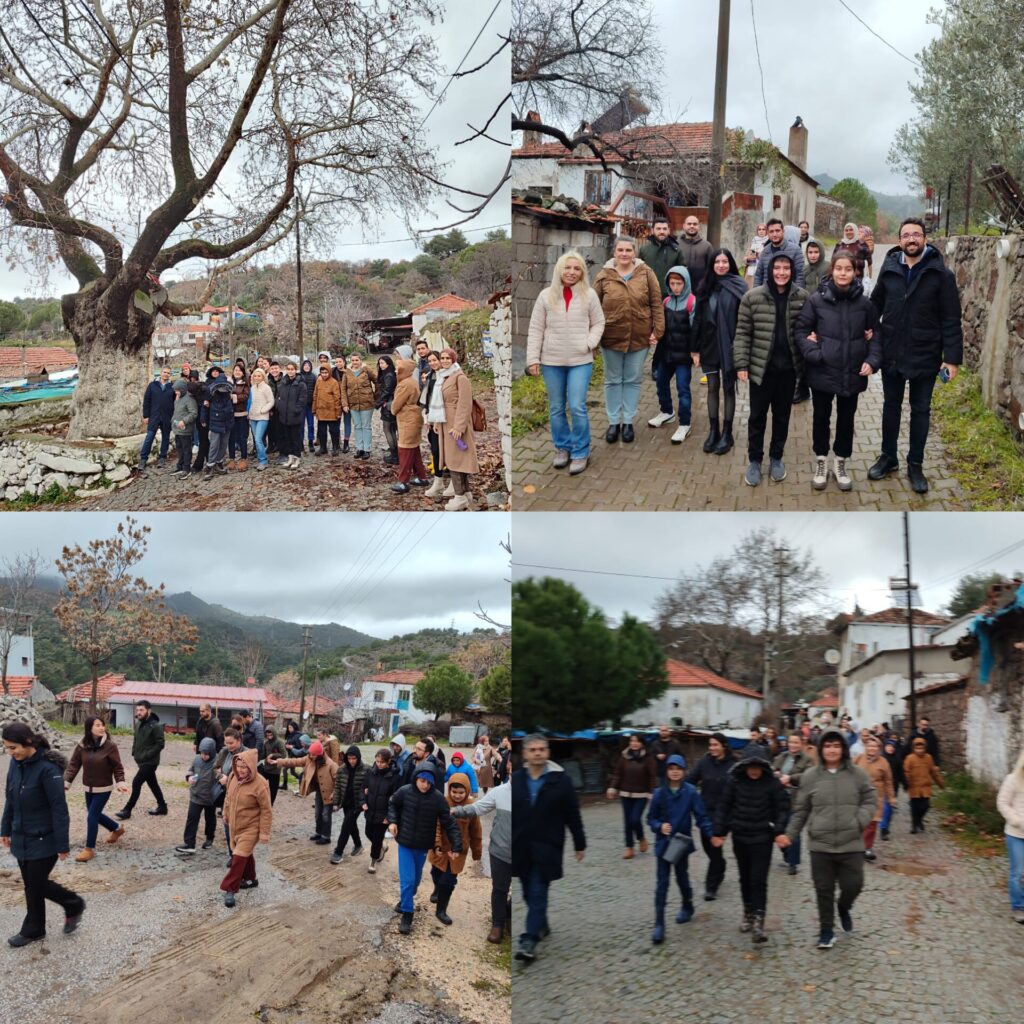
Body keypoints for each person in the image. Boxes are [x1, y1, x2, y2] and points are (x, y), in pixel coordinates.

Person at [867, 218, 963, 494]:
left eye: (916, 235)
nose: (911, 239)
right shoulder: (889, 267)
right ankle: (888, 458)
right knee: (891, 407)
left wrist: (952, 358)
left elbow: (950, 319)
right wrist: (862, 328)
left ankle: (916, 464)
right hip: (892, 352)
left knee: (920, 410)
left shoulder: (940, 274)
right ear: (899, 240)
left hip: (925, 353)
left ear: (924, 239)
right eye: (906, 235)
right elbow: (875, 304)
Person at [781, 728, 876, 949]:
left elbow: (870, 799)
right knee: (823, 889)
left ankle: (843, 907)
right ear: (821, 748)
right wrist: (789, 835)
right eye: (827, 745)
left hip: (851, 842)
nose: (831, 750)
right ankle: (826, 930)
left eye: (836, 745)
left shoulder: (857, 774)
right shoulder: (810, 777)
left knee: (854, 885)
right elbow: (801, 810)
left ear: (842, 748)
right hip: (820, 845)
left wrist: (858, 821)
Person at [794, 251, 882, 492]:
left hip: (852, 373)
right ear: (831, 271)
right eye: (839, 268)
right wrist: (814, 353)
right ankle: (821, 462)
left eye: (848, 269)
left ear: (855, 272)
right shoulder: (816, 300)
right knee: (821, 419)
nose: (843, 273)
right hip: (822, 372)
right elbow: (801, 331)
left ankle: (840, 463)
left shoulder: (865, 304)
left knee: (847, 420)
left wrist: (873, 360)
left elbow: (876, 333)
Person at [1, 722, 85, 947]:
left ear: (28, 742)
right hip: (21, 834)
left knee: (35, 883)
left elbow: (59, 808)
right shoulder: (15, 763)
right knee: (32, 884)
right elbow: (10, 797)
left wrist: (62, 844)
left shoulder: (48, 769)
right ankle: (37, 928)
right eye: (7, 748)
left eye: (13, 747)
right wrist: (5, 828)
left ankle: (72, 904)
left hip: (45, 837)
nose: (10, 752)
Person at [525, 251, 605, 475]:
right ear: (559, 270)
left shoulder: (589, 295)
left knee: (577, 406)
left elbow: (599, 322)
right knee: (557, 407)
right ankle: (562, 447)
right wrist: (533, 358)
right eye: (567, 268)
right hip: (552, 361)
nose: (571, 272)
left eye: (576, 268)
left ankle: (581, 451)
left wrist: (589, 343)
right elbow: (536, 329)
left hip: (580, 360)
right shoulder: (545, 296)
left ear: (582, 272)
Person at [735, 252, 809, 486]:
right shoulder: (752, 297)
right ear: (769, 270)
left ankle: (776, 458)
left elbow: (810, 328)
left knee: (782, 416)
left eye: (786, 268)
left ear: (792, 271)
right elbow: (742, 333)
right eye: (777, 268)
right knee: (756, 417)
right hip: (761, 369)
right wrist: (741, 364)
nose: (781, 272)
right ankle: (755, 460)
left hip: (788, 370)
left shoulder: (802, 297)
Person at [512, 734, 586, 962]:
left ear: (547, 752)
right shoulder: (516, 779)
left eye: (541, 749)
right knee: (527, 892)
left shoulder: (560, 781)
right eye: (532, 749)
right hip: (521, 846)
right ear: (525, 753)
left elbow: (572, 814)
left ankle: (529, 940)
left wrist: (579, 842)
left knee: (537, 890)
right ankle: (541, 923)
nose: (537, 753)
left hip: (547, 846)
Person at [711, 743, 788, 944]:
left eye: (757, 766)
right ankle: (748, 912)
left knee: (758, 880)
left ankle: (759, 923)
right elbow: (723, 807)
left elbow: (782, 809)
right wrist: (719, 832)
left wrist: (778, 830)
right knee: (744, 879)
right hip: (740, 837)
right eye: (750, 766)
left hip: (762, 839)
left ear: (763, 767)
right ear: (744, 766)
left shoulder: (773, 784)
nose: (754, 770)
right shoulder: (734, 782)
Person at [592, 235, 664, 445]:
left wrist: (658, 330)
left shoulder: (646, 273)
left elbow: (656, 303)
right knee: (613, 379)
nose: (624, 254)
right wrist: (593, 337)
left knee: (632, 379)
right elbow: (592, 306)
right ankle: (614, 422)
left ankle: (628, 421)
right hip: (611, 336)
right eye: (620, 250)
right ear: (614, 252)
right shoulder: (604, 275)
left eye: (628, 250)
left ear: (634, 253)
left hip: (639, 336)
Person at [646, 754, 712, 944]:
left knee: (682, 878)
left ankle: (687, 906)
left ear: (683, 771)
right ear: (666, 771)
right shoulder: (659, 793)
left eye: (678, 768)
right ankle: (659, 924)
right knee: (662, 884)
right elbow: (650, 819)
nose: (675, 772)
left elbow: (701, 817)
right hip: (664, 844)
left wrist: (712, 834)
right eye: (671, 768)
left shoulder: (691, 792)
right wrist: (659, 826)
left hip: (681, 843)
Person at [387, 767, 461, 935]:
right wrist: (392, 821)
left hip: (422, 847)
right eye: (422, 781)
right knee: (407, 880)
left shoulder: (438, 799)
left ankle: (406, 898)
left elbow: (449, 822)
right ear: (415, 778)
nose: (425, 785)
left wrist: (457, 844)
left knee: (415, 880)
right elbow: (392, 803)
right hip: (405, 843)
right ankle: (407, 913)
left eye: (429, 782)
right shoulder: (404, 792)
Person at [691, 248, 747, 455]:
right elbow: (697, 318)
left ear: (730, 264)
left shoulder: (739, 286)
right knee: (712, 387)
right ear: (712, 265)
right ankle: (713, 430)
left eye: (725, 262)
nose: (721, 265)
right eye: (717, 262)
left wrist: (743, 352)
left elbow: (745, 321)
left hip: (731, 345)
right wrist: (694, 349)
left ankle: (728, 432)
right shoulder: (705, 285)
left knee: (728, 388)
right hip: (709, 345)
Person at [450, 769, 512, 943]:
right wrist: (457, 811)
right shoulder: (499, 792)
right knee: (500, 888)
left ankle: (510, 911)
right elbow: (479, 807)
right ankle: (497, 924)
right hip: (500, 850)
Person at [63, 716, 129, 861]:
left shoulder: (110, 746)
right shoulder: (82, 745)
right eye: (97, 725)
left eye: (102, 725)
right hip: (88, 787)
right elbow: (74, 764)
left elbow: (117, 767)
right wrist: (66, 782)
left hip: (104, 788)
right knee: (95, 814)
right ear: (89, 728)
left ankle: (89, 849)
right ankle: (117, 829)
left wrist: (121, 782)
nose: (101, 727)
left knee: (92, 816)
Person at [647, 266, 696, 443]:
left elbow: (696, 331)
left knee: (683, 389)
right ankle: (667, 411)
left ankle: (685, 424)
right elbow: (660, 325)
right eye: (672, 283)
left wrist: (696, 353)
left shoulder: (692, 302)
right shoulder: (666, 302)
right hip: (666, 353)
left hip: (683, 357)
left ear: (686, 283)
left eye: (679, 283)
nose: (675, 287)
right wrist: (654, 335)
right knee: (661, 383)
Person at [428, 772, 482, 926]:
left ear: (467, 791)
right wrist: (436, 844)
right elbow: (436, 825)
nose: (457, 795)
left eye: (461, 792)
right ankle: (437, 889)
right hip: (440, 849)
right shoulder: (443, 802)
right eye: (454, 792)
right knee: (436, 873)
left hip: (458, 853)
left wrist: (476, 852)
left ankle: (441, 910)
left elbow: (476, 832)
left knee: (449, 881)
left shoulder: (471, 807)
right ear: (449, 790)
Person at [685, 733, 736, 900]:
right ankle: (721, 865)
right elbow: (690, 780)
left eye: (715, 745)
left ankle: (711, 887)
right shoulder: (704, 762)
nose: (712, 748)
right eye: (710, 745)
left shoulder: (733, 764)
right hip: (705, 813)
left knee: (714, 850)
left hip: (723, 814)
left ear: (724, 746)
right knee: (710, 849)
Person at [220, 747, 272, 907]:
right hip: (235, 825)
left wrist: (264, 833)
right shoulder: (232, 778)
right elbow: (228, 798)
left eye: (245, 767)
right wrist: (225, 813)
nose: (241, 770)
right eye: (239, 766)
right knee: (244, 854)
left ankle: (230, 889)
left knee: (238, 857)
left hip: (251, 827)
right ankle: (251, 879)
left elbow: (266, 811)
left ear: (251, 766)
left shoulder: (261, 784)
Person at [267, 739, 338, 844]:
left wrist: (335, 794)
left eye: (313, 755)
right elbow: (295, 761)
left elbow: (339, 781)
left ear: (320, 755)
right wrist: (279, 761)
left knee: (326, 815)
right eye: (309, 754)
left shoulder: (331, 765)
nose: (310, 756)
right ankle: (319, 833)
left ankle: (326, 836)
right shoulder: (309, 758)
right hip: (319, 790)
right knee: (318, 813)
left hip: (329, 793)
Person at [436, 347, 480, 512]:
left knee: (456, 460)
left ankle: (459, 496)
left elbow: (465, 403)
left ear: (453, 359)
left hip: (456, 424)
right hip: (446, 422)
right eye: (442, 358)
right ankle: (466, 493)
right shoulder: (445, 376)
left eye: (448, 358)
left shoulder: (460, 378)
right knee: (456, 459)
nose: (445, 360)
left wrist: (459, 427)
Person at [606, 733, 657, 859]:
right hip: (625, 793)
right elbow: (618, 774)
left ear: (641, 743)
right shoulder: (624, 757)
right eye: (631, 741)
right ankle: (629, 847)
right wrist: (612, 787)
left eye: (636, 741)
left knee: (635, 819)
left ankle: (641, 837)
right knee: (627, 821)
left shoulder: (648, 758)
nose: (634, 743)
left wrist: (652, 792)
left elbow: (652, 776)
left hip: (641, 794)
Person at [115, 700, 166, 819]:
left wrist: (147, 755)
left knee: (136, 782)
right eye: (137, 710)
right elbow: (136, 739)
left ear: (149, 710)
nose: (139, 712)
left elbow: (160, 744)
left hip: (150, 762)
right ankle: (162, 806)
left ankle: (127, 810)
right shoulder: (138, 724)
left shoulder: (156, 726)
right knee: (153, 784)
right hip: (140, 760)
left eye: (141, 710)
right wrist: (134, 751)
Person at [772, 732, 811, 875]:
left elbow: (808, 776)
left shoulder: (807, 760)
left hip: (797, 800)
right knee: (779, 829)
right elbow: (772, 769)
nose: (793, 745)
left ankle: (793, 863)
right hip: (780, 799)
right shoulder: (782, 757)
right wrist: (776, 774)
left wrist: (790, 778)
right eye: (791, 742)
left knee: (794, 831)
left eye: (796, 742)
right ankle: (786, 852)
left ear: (801, 743)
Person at [389, 358, 429, 493]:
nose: (395, 371)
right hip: (413, 418)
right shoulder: (411, 381)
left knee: (405, 449)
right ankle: (422, 477)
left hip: (408, 420)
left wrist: (392, 409)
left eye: (397, 368)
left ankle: (403, 481)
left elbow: (396, 405)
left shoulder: (405, 384)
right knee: (414, 448)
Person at [175, 736, 220, 854]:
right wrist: (189, 777)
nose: (203, 756)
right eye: (202, 753)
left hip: (210, 797)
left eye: (206, 754)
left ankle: (210, 838)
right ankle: (189, 844)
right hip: (195, 794)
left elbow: (221, 777)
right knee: (192, 818)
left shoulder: (218, 761)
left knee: (210, 818)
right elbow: (190, 770)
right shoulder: (196, 759)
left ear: (212, 752)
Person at [854, 734, 895, 861]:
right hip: (859, 796)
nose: (872, 748)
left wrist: (892, 797)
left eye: (875, 746)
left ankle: (867, 848)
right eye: (869, 745)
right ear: (865, 747)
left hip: (876, 797)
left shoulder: (883, 762)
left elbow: (888, 781)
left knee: (872, 824)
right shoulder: (858, 759)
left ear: (879, 748)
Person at [996, 750, 1024, 924]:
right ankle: (1018, 906)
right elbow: (1002, 802)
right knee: (1017, 872)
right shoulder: (1013, 780)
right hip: (1016, 834)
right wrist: (1016, 820)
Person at [419, 350, 450, 495]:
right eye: (430, 361)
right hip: (432, 419)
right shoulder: (430, 376)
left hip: (445, 420)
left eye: (435, 360)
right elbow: (427, 398)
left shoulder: (447, 376)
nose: (432, 363)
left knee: (450, 451)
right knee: (435, 450)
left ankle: (455, 483)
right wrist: (427, 416)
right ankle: (438, 481)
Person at [330, 745, 368, 863]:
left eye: (354, 758)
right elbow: (337, 787)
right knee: (351, 824)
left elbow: (371, 785)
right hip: (345, 802)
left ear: (358, 758)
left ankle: (338, 851)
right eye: (349, 758)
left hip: (357, 804)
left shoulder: (367, 769)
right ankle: (358, 845)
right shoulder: (342, 769)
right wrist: (336, 803)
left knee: (346, 826)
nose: (351, 761)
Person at [903, 736, 944, 833]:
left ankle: (919, 820)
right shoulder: (910, 758)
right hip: (914, 787)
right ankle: (914, 825)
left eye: (922, 748)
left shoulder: (928, 758)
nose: (920, 750)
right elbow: (906, 772)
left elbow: (933, 772)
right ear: (914, 748)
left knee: (925, 806)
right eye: (917, 748)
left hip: (925, 787)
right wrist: (906, 783)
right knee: (915, 807)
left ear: (925, 748)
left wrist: (940, 783)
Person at [138, 365, 176, 472]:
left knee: (165, 437)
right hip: (154, 416)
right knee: (149, 437)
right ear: (160, 372)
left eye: (168, 373)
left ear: (170, 375)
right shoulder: (152, 385)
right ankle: (143, 459)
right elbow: (146, 401)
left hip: (166, 416)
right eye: (165, 372)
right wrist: (146, 416)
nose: (166, 374)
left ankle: (162, 458)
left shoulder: (172, 387)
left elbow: (175, 402)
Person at [341, 352, 377, 459]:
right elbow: (343, 389)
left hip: (366, 403)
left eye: (357, 360)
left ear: (360, 360)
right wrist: (345, 404)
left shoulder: (366, 370)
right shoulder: (347, 373)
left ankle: (367, 449)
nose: (355, 362)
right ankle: (359, 448)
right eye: (353, 360)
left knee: (366, 426)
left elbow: (377, 380)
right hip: (353, 404)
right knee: (357, 426)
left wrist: (375, 395)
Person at [753, 218, 805, 287]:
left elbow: (800, 275)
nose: (774, 234)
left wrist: (796, 295)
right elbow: (758, 275)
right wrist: (756, 294)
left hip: (788, 294)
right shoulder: (765, 251)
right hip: (767, 294)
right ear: (768, 234)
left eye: (777, 231)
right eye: (771, 231)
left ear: (783, 231)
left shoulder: (796, 250)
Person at [202, 366, 235, 478]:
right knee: (214, 444)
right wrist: (203, 419)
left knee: (223, 444)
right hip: (215, 420)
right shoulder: (210, 391)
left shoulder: (229, 392)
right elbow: (205, 406)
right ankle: (210, 465)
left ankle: (219, 462)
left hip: (227, 421)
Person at [275, 361, 308, 469]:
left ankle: (297, 458)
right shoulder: (283, 383)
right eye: (288, 369)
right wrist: (279, 406)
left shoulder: (301, 384)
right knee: (287, 438)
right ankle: (290, 458)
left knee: (295, 438)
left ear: (296, 370)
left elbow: (302, 400)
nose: (290, 371)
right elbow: (279, 396)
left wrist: (295, 410)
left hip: (294, 416)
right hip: (284, 416)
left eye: (292, 369)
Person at [638, 217, 682, 296]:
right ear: (652, 230)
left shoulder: (677, 250)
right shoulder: (644, 250)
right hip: (647, 295)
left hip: (670, 297)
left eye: (664, 229)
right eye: (658, 229)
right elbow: (637, 272)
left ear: (668, 231)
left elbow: (682, 274)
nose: (662, 232)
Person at [312, 362, 343, 457]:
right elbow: (315, 395)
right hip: (321, 411)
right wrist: (314, 408)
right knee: (321, 431)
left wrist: (338, 412)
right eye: (322, 372)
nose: (324, 374)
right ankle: (323, 448)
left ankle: (335, 447)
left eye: (326, 372)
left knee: (334, 431)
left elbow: (337, 398)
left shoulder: (334, 382)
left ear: (329, 372)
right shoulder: (318, 380)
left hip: (331, 411)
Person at [677, 214, 714, 293]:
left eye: (695, 224)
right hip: (679, 289)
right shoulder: (676, 245)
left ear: (699, 226)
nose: (692, 226)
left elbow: (711, 269)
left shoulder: (707, 246)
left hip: (700, 290)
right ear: (684, 226)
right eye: (689, 224)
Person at [170, 378, 198, 478]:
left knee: (186, 449)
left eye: (177, 390)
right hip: (177, 429)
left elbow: (193, 413)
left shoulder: (189, 399)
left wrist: (184, 421)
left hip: (185, 429)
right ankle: (180, 465)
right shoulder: (178, 398)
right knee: (179, 448)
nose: (176, 392)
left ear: (182, 389)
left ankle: (187, 468)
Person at [247, 367, 275, 471]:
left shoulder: (266, 388)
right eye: (255, 376)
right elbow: (250, 402)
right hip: (253, 417)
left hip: (262, 417)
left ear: (263, 377)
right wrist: (248, 412)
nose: (257, 377)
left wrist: (263, 410)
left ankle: (263, 461)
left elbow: (271, 401)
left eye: (259, 376)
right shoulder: (252, 388)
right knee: (256, 439)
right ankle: (260, 459)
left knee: (258, 438)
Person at [374, 355, 399, 464]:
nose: (381, 365)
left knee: (387, 429)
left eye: (383, 363)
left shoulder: (389, 375)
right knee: (391, 429)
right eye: (379, 363)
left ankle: (394, 455)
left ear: (388, 363)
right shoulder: (387, 374)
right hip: (389, 403)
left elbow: (387, 391)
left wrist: (378, 404)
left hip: (388, 404)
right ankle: (395, 452)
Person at [227, 363, 251, 471]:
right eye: (235, 370)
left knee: (242, 437)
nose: (237, 372)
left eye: (239, 370)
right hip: (230, 414)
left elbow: (245, 396)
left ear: (242, 372)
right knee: (231, 437)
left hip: (241, 413)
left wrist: (233, 397)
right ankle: (231, 458)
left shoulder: (245, 383)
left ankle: (243, 458)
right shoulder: (229, 383)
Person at [330, 354, 353, 452]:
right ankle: (336, 442)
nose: (338, 363)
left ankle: (346, 443)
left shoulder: (349, 372)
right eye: (337, 362)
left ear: (344, 362)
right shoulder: (332, 372)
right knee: (336, 423)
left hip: (347, 401)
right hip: (336, 401)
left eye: (340, 361)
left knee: (347, 422)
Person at [260, 726, 287, 805]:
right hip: (266, 769)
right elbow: (264, 755)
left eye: (271, 735)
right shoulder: (266, 743)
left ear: (274, 734)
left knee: (273, 789)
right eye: (267, 735)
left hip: (275, 770)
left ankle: (270, 804)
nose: (269, 737)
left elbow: (284, 755)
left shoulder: (279, 742)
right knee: (261, 787)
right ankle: (262, 801)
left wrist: (273, 755)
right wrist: (265, 759)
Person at [299, 358, 318, 454]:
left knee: (311, 424)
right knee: (301, 425)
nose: (307, 367)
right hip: (301, 405)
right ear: (302, 366)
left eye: (309, 365)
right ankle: (301, 442)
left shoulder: (314, 377)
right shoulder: (299, 376)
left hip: (310, 404)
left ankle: (311, 441)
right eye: (305, 365)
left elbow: (316, 391)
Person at [744, 222, 768, 288]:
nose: (761, 231)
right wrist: (748, 258)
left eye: (763, 229)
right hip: (751, 270)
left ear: (766, 231)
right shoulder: (753, 241)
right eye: (759, 229)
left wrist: (757, 254)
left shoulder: (768, 242)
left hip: (763, 270)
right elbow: (746, 257)